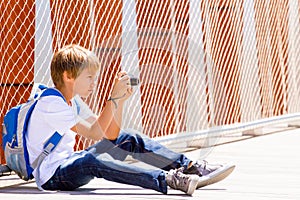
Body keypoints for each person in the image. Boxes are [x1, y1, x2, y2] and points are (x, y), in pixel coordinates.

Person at [26, 44, 235, 196]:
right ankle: (169, 179)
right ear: (67, 76)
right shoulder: (51, 103)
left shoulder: (72, 101)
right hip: (53, 175)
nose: (93, 83)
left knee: (128, 137)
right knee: (92, 161)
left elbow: (111, 135)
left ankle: (189, 167)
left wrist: (120, 101)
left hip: (68, 162)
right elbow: (93, 133)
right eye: (89, 77)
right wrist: (112, 98)